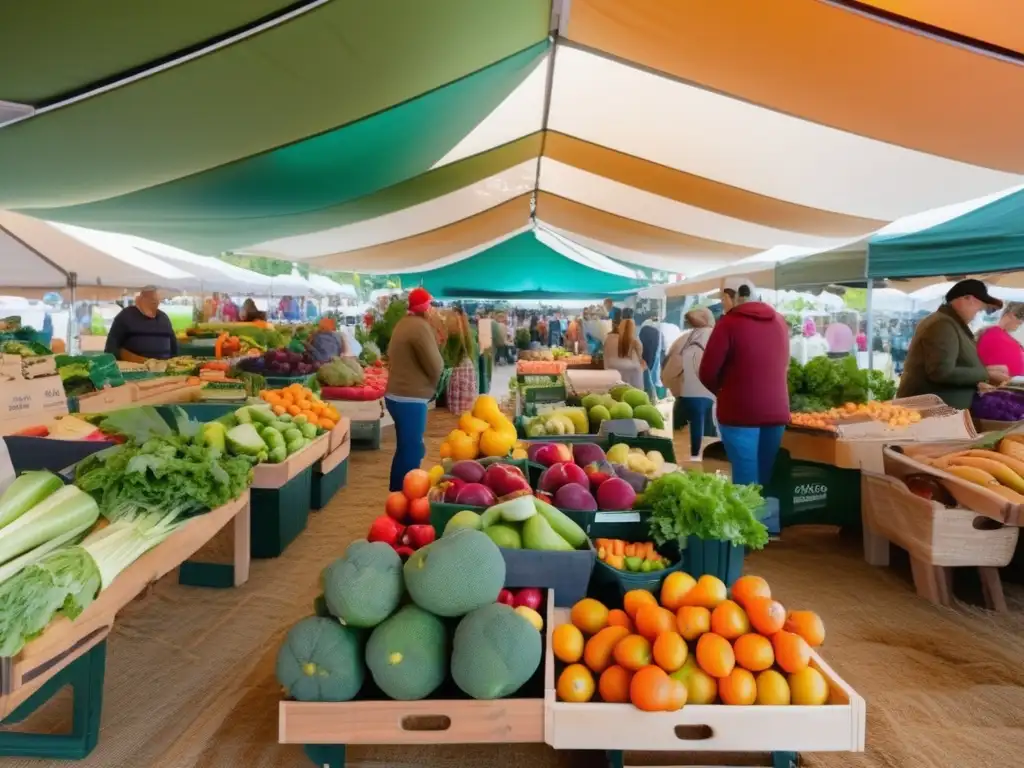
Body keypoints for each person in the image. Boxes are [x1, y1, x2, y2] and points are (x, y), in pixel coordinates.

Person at [699, 277, 789, 491]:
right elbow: (784, 363)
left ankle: (750, 524)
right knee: (767, 477)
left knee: (746, 480)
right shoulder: (779, 321)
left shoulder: (728, 324)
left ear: (733, 297)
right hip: (776, 410)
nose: (722, 303)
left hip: (739, 412)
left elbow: (707, 371)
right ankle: (769, 523)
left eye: (723, 297)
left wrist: (724, 391)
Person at [897, 279, 1007, 408]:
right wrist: (985, 374)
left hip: (940, 412)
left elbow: (953, 369)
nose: (977, 314)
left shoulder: (951, 324)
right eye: (979, 309)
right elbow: (941, 372)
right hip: (929, 413)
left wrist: (979, 380)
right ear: (968, 298)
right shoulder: (942, 325)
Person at [385, 287, 444, 491]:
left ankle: (396, 491)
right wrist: (435, 384)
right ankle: (406, 494)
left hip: (396, 394)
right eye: (431, 306)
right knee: (412, 449)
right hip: (410, 397)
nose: (434, 310)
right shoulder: (420, 327)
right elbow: (436, 365)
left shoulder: (404, 323)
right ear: (426, 308)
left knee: (406, 447)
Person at [662, 307, 716, 461]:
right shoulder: (716, 337)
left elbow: (669, 364)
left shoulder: (684, 338)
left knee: (680, 444)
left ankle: (685, 464)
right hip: (708, 396)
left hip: (684, 396)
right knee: (706, 442)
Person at [104, 286, 179, 362]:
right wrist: (138, 360)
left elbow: (174, 348)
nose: (154, 302)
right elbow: (111, 349)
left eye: (156, 299)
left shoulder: (164, 318)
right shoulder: (125, 316)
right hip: (134, 370)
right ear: (140, 299)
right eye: (150, 299)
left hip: (164, 369)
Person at [445, 307, 479, 415]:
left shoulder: (454, 335)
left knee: (456, 413)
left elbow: (448, 358)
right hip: (467, 369)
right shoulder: (470, 333)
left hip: (458, 372)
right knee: (464, 412)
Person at [977, 302, 1024, 378]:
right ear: (1011, 315)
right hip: (1008, 383)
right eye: (1019, 323)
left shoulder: (1002, 336)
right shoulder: (994, 334)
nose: (1019, 326)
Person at [603, 317, 645, 390]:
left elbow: (606, 355)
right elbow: (640, 355)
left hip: (613, 373)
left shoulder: (609, 338)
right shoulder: (635, 340)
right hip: (633, 374)